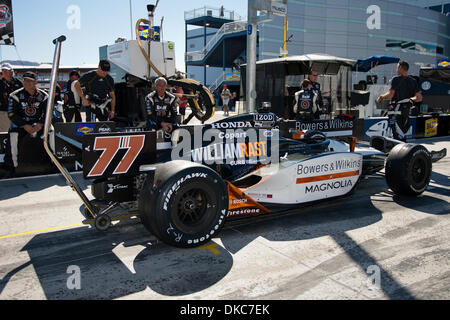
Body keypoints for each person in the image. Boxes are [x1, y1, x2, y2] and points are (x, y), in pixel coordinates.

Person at [3, 72, 48, 178]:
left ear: (36, 82)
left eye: (30, 81)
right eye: (25, 80)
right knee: (13, 134)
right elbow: (11, 114)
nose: (27, 83)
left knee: (51, 130)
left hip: (38, 123)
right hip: (21, 124)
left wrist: (41, 124)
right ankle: (11, 167)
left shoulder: (44, 96)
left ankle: (53, 163)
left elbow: (48, 113)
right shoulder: (14, 95)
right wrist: (24, 125)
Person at [376, 60, 422, 142]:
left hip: (396, 110)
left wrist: (381, 97)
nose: (397, 70)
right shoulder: (413, 81)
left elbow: (391, 95)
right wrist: (409, 100)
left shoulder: (396, 79)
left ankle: (398, 151)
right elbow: (419, 98)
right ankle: (403, 149)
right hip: (406, 110)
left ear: (400, 68)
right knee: (403, 131)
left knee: (396, 133)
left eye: (397, 68)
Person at [0, 63, 23, 132]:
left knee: (17, 131)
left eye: (6, 70)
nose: (4, 73)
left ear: (11, 71)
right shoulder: (0, 83)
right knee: (4, 131)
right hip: (4, 111)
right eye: (3, 71)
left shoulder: (18, 83)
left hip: (16, 111)